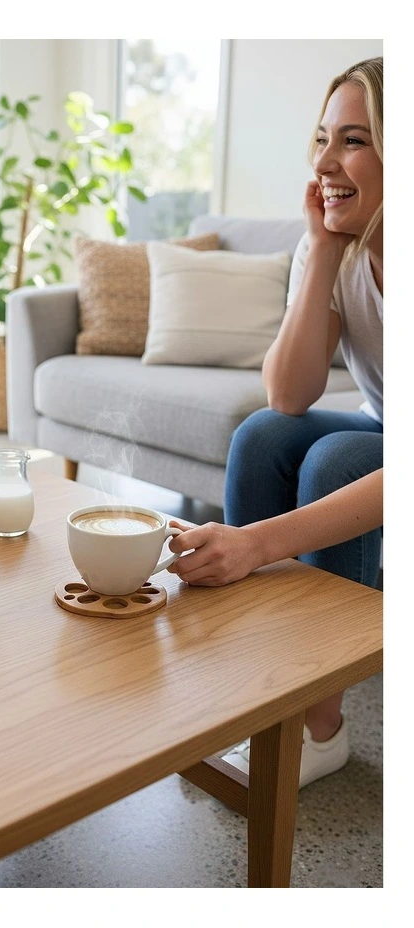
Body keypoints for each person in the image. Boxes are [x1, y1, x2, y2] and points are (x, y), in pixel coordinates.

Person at [166, 57, 383, 788]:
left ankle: (320, 725)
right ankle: (254, 689)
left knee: (336, 461)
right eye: (322, 138)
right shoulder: (336, 248)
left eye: (354, 140)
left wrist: (253, 545)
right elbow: (288, 396)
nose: (324, 161)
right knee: (262, 435)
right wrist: (322, 250)